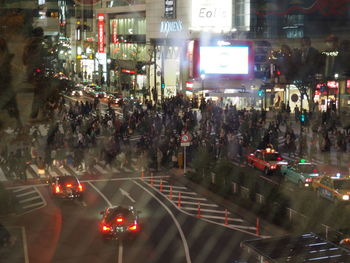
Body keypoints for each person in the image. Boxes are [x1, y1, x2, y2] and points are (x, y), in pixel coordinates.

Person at [22, 27, 47, 121]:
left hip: (30, 72)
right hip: (39, 71)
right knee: (41, 92)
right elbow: (44, 57)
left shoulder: (28, 44)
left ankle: (34, 114)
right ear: (41, 35)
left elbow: (24, 60)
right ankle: (37, 113)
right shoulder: (42, 44)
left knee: (37, 92)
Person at [0, 37, 21, 128]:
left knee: (10, 102)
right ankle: (18, 124)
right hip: (5, 82)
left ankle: (18, 124)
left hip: (5, 81)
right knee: (11, 102)